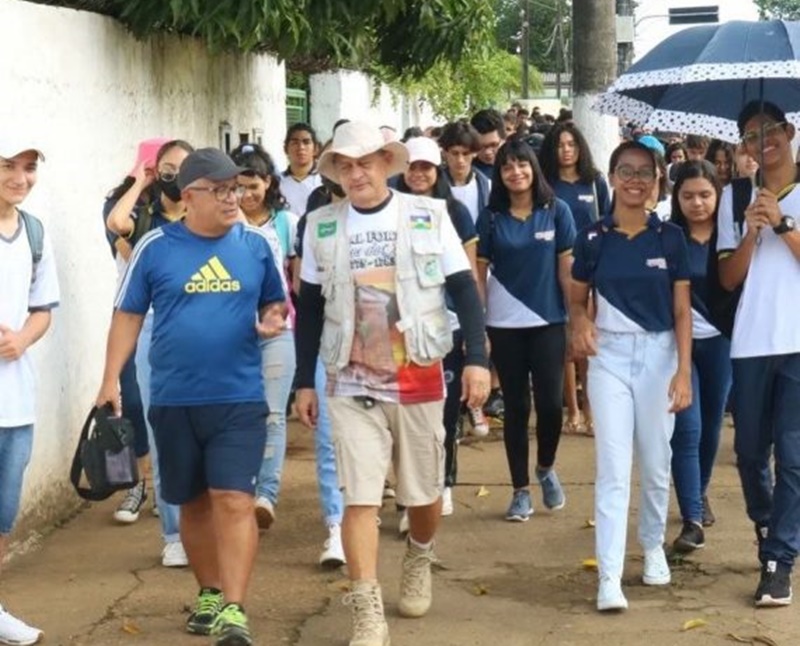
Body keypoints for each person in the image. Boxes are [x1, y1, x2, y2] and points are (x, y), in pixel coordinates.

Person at [294, 121, 489, 646]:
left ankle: (420, 555)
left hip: (419, 373)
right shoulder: (320, 226)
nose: (356, 174)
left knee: (423, 494)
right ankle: (366, 609)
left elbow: (463, 289)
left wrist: (478, 357)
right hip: (348, 378)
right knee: (360, 497)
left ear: (386, 164)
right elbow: (309, 308)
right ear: (336, 173)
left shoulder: (428, 214)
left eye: (365, 163)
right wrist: (303, 382)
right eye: (345, 166)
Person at [96, 148, 287, 645]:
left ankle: (234, 608)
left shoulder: (256, 244)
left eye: (238, 189)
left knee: (233, 498)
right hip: (175, 398)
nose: (234, 198)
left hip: (239, 397)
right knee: (194, 503)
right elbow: (128, 315)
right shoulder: (155, 247)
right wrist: (109, 380)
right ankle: (209, 591)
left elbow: (275, 299)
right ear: (190, 197)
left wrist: (273, 318)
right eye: (222, 190)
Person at [571, 140, 692, 612]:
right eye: (627, 170)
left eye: (646, 172)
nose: (636, 180)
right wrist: (579, 322)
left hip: (660, 354)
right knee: (614, 468)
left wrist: (683, 370)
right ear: (613, 176)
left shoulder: (670, 238)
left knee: (657, 462)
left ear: (659, 180)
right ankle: (609, 576)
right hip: (609, 356)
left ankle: (654, 545)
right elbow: (577, 297)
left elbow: (682, 310)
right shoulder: (593, 238)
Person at [718, 101, 800, 607]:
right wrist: (752, 230)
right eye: (751, 135)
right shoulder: (732, 199)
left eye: (770, 130)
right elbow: (727, 278)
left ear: (789, 131)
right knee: (750, 452)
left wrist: (785, 224)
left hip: (797, 342)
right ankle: (768, 527)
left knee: (793, 457)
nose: (762, 140)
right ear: (743, 146)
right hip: (750, 342)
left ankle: (779, 561)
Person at [476, 138, 575, 522]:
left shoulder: (557, 211)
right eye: (507, 167)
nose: (515, 173)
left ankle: (546, 467)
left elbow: (567, 272)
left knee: (551, 406)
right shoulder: (491, 217)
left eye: (522, 164)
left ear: (534, 168)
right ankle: (520, 491)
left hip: (549, 322)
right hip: (503, 326)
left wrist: (575, 318)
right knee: (516, 408)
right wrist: (478, 326)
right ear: (500, 176)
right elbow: (478, 275)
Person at [106, 139, 194, 568]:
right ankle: (171, 527)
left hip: (196, 324)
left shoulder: (203, 214)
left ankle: (196, 517)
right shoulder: (144, 219)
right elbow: (116, 222)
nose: (174, 176)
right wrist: (140, 181)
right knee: (155, 419)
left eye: (182, 167)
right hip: (146, 323)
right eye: (166, 168)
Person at [396, 136, 481, 522]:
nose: (418, 174)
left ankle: (444, 482)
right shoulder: (390, 210)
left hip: (447, 325)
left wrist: (478, 335)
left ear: (438, 170)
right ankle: (408, 493)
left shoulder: (456, 213)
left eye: (425, 167)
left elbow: (469, 277)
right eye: (412, 167)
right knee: (402, 414)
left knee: (445, 413)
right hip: (400, 329)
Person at [0, 138, 59, 646]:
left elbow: (43, 308)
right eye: (8, 166)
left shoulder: (34, 233)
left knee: (2, 512)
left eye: (28, 167)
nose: (20, 177)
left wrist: (22, 337)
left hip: (15, 401)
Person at [230, 143, 298, 532]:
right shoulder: (222, 222)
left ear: (268, 183)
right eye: (236, 186)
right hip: (233, 332)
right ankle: (241, 488)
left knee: (273, 414)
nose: (244, 194)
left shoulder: (286, 222)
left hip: (278, 331)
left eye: (252, 185)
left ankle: (266, 494)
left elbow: (294, 276)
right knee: (238, 414)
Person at [668, 160, 732, 553]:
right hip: (677, 345)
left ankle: (700, 490)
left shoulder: (732, 235)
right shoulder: (668, 237)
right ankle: (692, 518)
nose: (697, 203)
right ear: (676, 198)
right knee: (686, 428)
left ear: (717, 195)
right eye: (688, 195)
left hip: (722, 342)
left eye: (705, 195)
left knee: (711, 426)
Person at [538, 122, 611, 436]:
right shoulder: (546, 184)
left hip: (592, 269)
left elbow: (608, 221)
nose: (566, 150)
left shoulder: (594, 182)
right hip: (557, 268)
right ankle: (574, 409)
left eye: (571, 144)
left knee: (588, 338)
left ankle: (592, 406)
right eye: (560, 144)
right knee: (567, 341)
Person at [279, 122, 322, 217]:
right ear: (285, 148)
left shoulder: (324, 181)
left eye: (306, 142)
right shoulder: (277, 182)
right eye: (295, 142)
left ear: (315, 149)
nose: (301, 147)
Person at [470, 109, 506, 179]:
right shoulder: (468, 173)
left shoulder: (518, 168)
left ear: (504, 139)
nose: (487, 152)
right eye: (480, 146)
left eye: (494, 145)